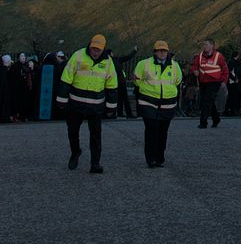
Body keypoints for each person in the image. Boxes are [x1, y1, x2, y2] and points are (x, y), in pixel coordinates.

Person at [57, 33, 118, 173]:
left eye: (98, 50)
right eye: (93, 48)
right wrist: (61, 100)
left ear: (103, 49)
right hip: (75, 103)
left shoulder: (108, 62)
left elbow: (112, 85)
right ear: (89, 46)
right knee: (72, 131)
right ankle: (75, 152)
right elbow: (66, 78)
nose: (95, 52)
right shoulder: (78, 56)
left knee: (96, 135)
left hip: (96, 105)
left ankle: (95, 163)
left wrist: (111, 107)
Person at [133, 40, 182, 167]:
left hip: (168, 104)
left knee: (162, 132)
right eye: (159, 50)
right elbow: (137, 80)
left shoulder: (175, 66)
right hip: (148, 102)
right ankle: (151, 159)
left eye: (164, 50)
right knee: (151, 130)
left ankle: (160, 158)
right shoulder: (144, 64)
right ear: (155, 52)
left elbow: (177, 81)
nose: (162, 53)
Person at [189, 38, 229, 129]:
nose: (204, 46)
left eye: (206, 44)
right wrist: (195, 70)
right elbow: (194, 66)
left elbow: (225, 70)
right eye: (203, 45)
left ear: (212, 46)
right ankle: (216, 119)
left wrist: (224, 82)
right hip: (203, 82)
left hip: (214, 82)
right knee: (209, 101)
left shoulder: (219, 56)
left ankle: (203, 122)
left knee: (206, 101)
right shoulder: (199, 56)